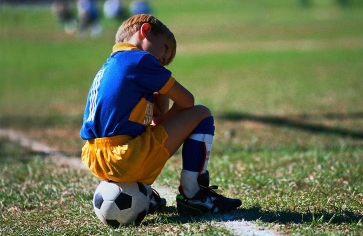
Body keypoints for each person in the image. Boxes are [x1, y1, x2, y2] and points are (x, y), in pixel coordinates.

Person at [80, 14, 242, 215]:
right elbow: (186, 101)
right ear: (145, 31)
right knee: (201, 113)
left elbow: (154, 118)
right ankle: (194, 195)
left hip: (94, 156)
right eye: (165, 49)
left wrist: (158, 100)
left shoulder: (112, 64)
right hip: (124, 157)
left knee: (153, 127)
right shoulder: (139, 60)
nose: (164, 61)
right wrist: (168, 116)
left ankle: (144, 192)